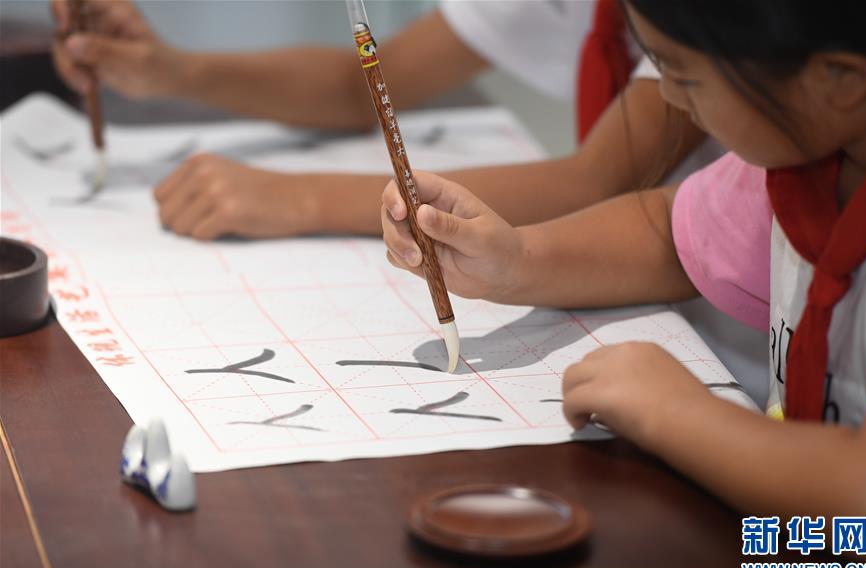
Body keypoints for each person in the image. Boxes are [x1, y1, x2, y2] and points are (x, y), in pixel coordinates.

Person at [381, 0, 866, 562]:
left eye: (684, 76)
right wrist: (513, 258)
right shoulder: (812, 165)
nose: (670, 95)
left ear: (839, 80)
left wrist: (676, 414)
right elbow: (669, 236)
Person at [50, 0, 768, 403]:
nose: (677, 93)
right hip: (679, 327)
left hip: (726, 360)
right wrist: (172, 70)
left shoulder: (720, 31)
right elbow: (365, 80)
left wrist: (299, 199)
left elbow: (602, 180)